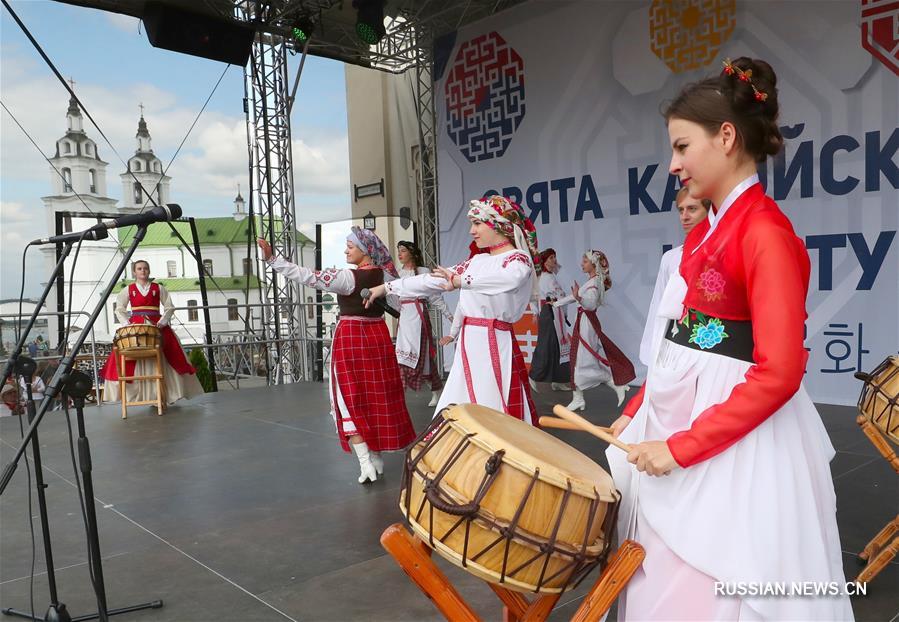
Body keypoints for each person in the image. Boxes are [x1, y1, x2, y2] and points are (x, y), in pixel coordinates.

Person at [606, 57, 852, 620]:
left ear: (726, 136)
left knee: (711, 586)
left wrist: (680, 447)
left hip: (733, 443)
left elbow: (779, 371)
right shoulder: (710, 232)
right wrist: (642, 406)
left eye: (682, 147)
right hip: (685, 421)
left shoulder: (764, 232)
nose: (673, 165)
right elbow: (691, 335)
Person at [257, 228, 416, 484]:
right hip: (378, 336)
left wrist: (275, 260)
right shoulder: (386, 275)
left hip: (352, 337)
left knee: (347, 397)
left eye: (350, 246)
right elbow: (399, 305)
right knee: (375, 395)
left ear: (364, 250)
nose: (346, 250)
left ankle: (366, 462)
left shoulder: (348, 277)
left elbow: (310, 277)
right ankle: (375, 458)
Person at [365, 195, 541, 425]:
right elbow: (430, 280)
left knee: (493, 403)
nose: (472, 231)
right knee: (459, 400)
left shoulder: (517, 259)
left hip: (494, 342)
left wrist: (460, 281)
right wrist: (386, 287)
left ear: (499, 225)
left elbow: (509, 279)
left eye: (478, 223)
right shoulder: (475, 262)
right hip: (470, 342)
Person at [100, 260, 203, 409]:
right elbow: (119, 308)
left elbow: (169, 307)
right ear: (134, 272)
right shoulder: (128, 289)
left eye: (145, 268)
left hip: (157, 326)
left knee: (170, 353)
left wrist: (163, 321)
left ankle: (164, 395)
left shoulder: (158, 288)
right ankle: (145, 396)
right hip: (137, 327)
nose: (143, 271)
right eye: (139, 269)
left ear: (149, 271)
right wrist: (126, 324)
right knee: (130, 356)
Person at [638, 187, 711, 367]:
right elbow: (658, 306)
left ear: (710, 211)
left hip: (713, 353)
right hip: (677, 351)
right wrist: (651, 355)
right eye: (681, 210)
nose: (684, 216)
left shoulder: (724, 253)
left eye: (692, 209)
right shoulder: (671, 258)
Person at [564, 250, 635, 411]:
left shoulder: (595, 283)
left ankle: (613, 382)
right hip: (583, 322)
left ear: (594, 264)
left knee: (584, 361)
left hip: (587, 324)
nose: (582, 264)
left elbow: (590, 303)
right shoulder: (590, 281)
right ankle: (579, 397)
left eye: (585, 261)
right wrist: (556, 303)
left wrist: (579, 298)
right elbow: (574, 297)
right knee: (578, 359)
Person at [394, 240, 453, 407]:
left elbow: (434, 296)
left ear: (412, 253)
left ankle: (436, 391)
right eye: (399, 250)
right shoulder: (398, 273)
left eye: (403, 250)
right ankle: (400, 396)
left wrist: (449, 315)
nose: (400, 254)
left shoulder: (423, 272)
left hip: (418, 316)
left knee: (424, 357)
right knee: (401, 356)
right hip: (404, 318)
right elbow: (393, 296)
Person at [528, 248, 571, 392]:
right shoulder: (544, 278)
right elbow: (534, 296)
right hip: (549, 312)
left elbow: (559, 297)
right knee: (546, 345)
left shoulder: (550, 276)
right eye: (551, 257)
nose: (554, 260)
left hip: (555, 312)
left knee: (558, 347)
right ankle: (533, 376)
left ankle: (558, 380)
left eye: (555, 257)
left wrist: (564, 313)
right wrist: (535, 312)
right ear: (545, 261)